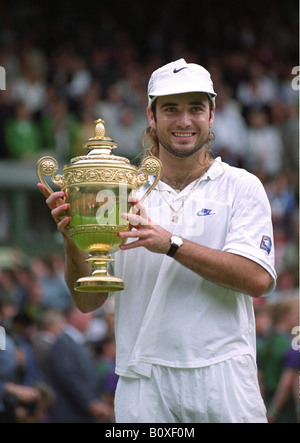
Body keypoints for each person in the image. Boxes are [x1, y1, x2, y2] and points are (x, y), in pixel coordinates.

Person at [38, 58, 277, 423]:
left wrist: (170, 243)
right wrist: (74, 241)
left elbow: (257, 279)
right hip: (142, 379)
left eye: (195, 109)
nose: (184, 121)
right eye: (170, 109)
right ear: (152, 116)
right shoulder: (117, 190)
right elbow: (88, 301)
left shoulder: (242, 186)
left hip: (223, 375)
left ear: (211, 116)